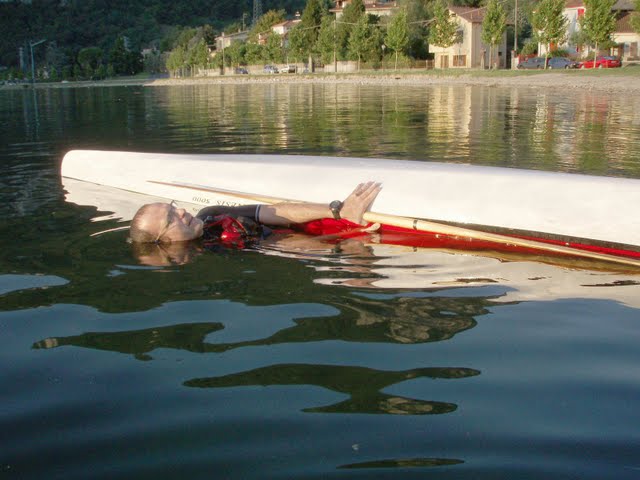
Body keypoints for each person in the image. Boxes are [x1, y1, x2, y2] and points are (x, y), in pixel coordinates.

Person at [129, 182, 382, 245]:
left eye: (173, 207)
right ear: (163, 242)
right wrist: (348, 242)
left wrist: (337, 211)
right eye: (171, 218)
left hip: (288, 238)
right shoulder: (207, 260)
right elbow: (281, 248)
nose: (182, 211)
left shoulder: (210, 214)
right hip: (290, 248)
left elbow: (271, 212)